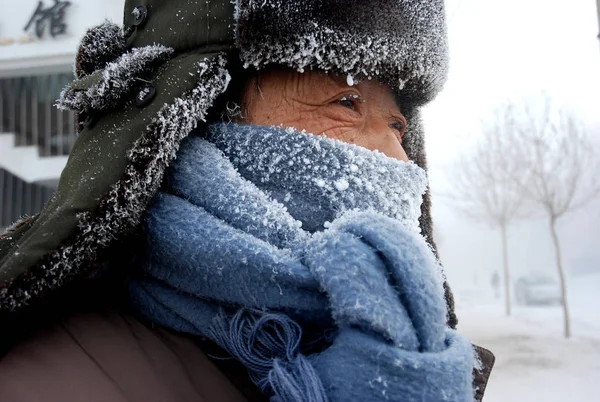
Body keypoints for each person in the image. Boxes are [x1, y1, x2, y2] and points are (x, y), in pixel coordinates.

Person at [0, 1, 495, 401]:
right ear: (201, 115)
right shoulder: (38, 380)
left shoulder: (424, 357)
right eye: (345, 103)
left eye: (398, 125)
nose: (397, 160)